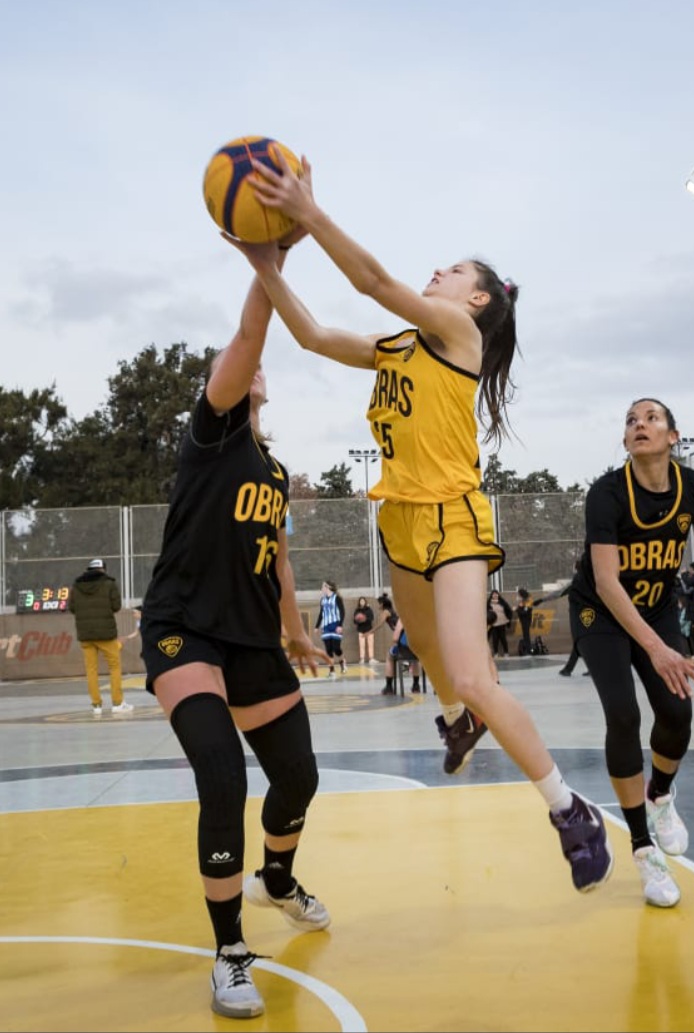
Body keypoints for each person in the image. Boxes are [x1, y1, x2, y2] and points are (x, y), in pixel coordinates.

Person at [226, 151, 614, 894]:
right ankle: (456, 719)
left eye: (453, 271)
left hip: (454, 519)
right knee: (434, 660)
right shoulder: (395, 348)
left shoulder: (453, 336)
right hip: (400, 521)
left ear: (475, 301)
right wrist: (264, 260)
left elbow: (372, 282)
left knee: (472, 670)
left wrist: (308, 214)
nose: (437, 272)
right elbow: (308, 334)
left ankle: (569, 811)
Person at [139, 234, 331, 1021]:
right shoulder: (211, 434)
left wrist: (294, 631)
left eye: (250, 362)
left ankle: (276, 880)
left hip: (255, 639)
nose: (247, 361)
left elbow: (278, 561)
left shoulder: (274, 472)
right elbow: (253, 333)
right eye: (234, 357)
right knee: (223, 776)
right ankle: (229, 952)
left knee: (300, 780)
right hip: (184, 628)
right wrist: (269, 261)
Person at [567, 398, 694, 908]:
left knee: (676, 710)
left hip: (657, 607)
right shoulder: (606, 494)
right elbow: (606, 582)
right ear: (626, 442)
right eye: (630, 420)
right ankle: (644, 848)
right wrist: (658, 651)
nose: (639, 424)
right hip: (600, 612)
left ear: (673, 437)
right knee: (623, 716)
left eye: (651, 418)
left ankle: (660, 795)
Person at [68, 558, 133, 716]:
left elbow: (72, 608)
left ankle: (96, 705)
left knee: (91, 670)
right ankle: (117, 703)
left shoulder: (76, 586)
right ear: (102, 569)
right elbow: (116, 607)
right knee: (114, 667)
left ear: (89, 569)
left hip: (86, 635)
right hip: (106, 634)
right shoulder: (109, 584)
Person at [381, 616, 421, 695]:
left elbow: (395, 638)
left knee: (389, 657)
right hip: (419, 651)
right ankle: (416, 686)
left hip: (403, 652)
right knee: (416, 660)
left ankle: (389, 687)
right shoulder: (422, 617)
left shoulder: (403, 618)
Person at [315, 579, 347, 677]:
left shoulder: (337, 598)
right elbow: (321, 613)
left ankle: (342, 663)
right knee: (328, 650)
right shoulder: (322, 599)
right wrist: (316, 626)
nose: (321, 588)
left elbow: (342, 612)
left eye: (323, 586)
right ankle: (332, 671)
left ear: (328, 587)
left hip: (335, 625)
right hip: (326, 627)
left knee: (336, 649)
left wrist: (340, 625)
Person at [487, 589, 513, 657]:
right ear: (491, 595)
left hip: (502, 622)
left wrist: (508, 619)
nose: (495, 595)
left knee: (503, 638)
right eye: (493, 594)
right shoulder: (489, 603)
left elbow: (508, 610)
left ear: (498, 595)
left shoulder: (502, 602)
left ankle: (506, 652)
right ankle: (496, 653)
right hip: (494, 623)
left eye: (496, 594)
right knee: (495, 639)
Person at [353, 595, 377, 663]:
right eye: (361, 601)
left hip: (369, 629)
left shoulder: (369, 609)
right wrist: (359, 620)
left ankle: (371, 658)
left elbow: (371, 618)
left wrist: (364, 619)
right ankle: (362, 658)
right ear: (359, 602)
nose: (362, 602)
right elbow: (354, 621)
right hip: (361, 630)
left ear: (365, 602)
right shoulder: (357, 610)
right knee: (361, 645)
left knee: (370, 644)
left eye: (363, 601)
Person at [514, 588, 535, 656]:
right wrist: (519, 607)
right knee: (525, 635)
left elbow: (524, 613)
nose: (518, 596)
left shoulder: (528, 602)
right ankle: (528, 650)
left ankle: (529, 651)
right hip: (523, 621)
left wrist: (517, 609)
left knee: (526, 636)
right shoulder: (522, 602)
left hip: (526, 621)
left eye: (519, 595)